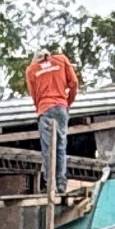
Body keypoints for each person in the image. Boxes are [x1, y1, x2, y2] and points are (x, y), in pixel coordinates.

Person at [25, 49, 80, 195]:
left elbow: (34, 95)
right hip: (61, 107)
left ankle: (50, 184)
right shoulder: (61, 60)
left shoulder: (31, 69)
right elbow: (74, 83)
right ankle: (61, 183)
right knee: (61, 146)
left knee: (48, 149)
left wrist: (41, 108)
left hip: (45, 108)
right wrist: (67, 103)